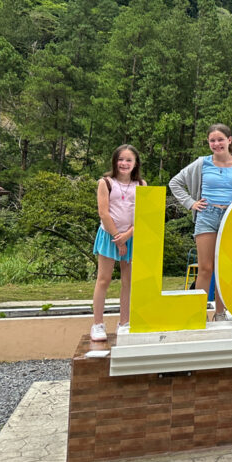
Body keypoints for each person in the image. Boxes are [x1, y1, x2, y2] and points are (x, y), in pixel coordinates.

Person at [169, 124, 232, 322]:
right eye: (212, 140)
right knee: (205, 267)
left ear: (229, 140)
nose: (216, 144)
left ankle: (221, 313)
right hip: (207, 214)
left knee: (225, 268)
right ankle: (198, 313)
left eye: (220, 139)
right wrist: (190, 203)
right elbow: (175, 183)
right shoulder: (201, 163)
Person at [90, 145, 145, 342]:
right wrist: (117, 237)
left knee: (128, 282)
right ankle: (97, 324)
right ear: (115, 161)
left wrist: (127, 236)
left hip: (131, 237)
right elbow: (103, 212)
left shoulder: (141, 184)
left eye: (129, 160)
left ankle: (125, 322)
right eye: (121, 159)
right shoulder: (105, 182)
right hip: (109, 235)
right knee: (103, 279)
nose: (124, 163)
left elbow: (142, 214)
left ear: (135, 163)